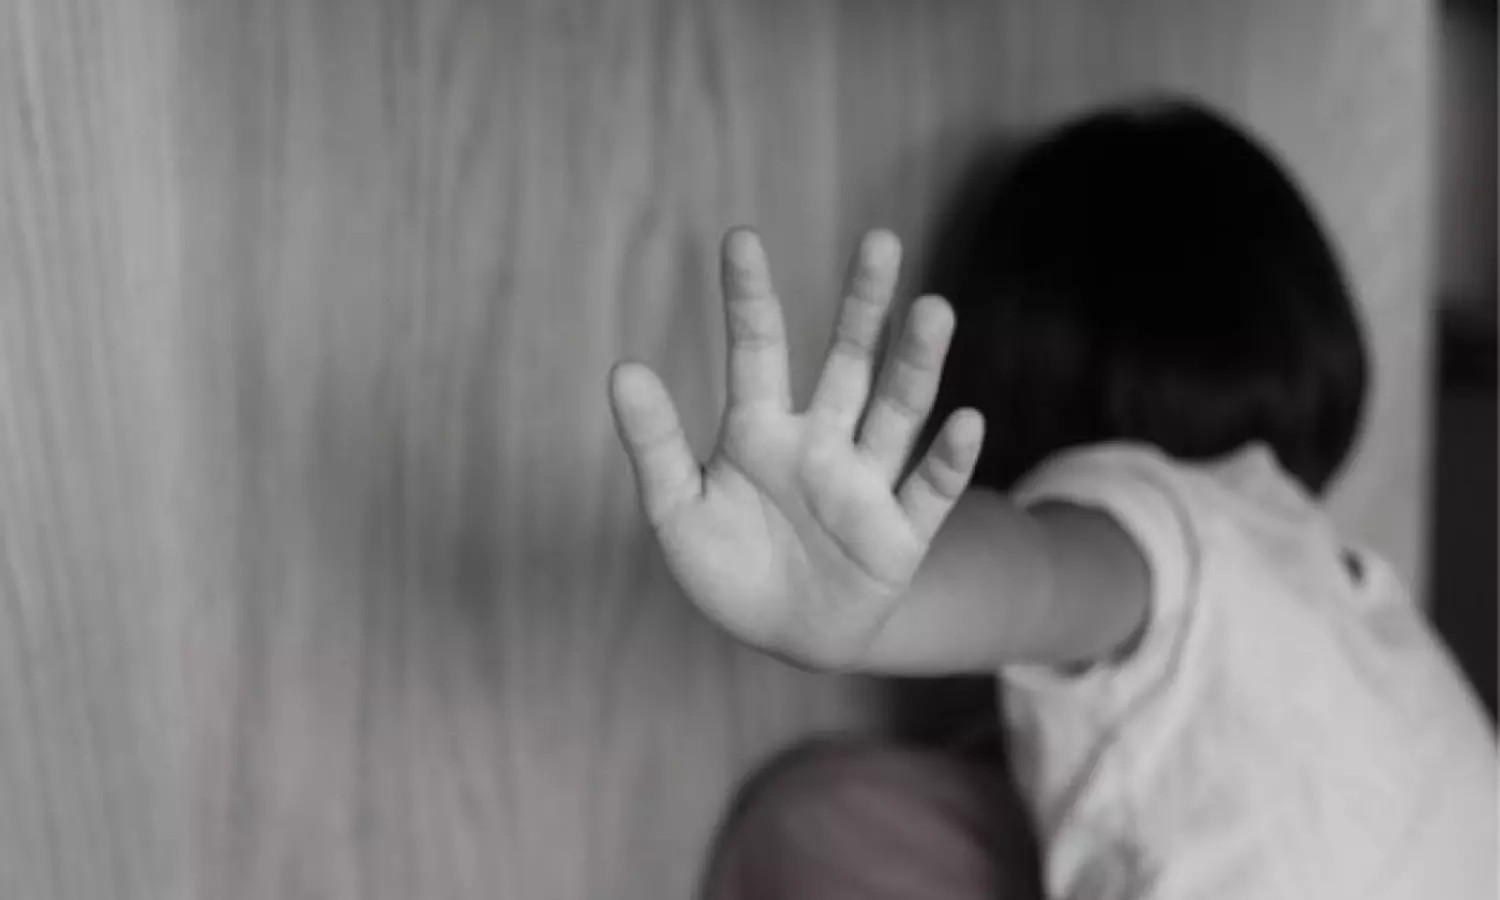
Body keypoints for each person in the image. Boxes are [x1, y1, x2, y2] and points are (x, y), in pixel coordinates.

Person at [606, 97, 1498, 900]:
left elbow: (1036, 575)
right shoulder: (1351, 597)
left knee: (815, 821)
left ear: (1022, 367)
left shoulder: (1159, 521)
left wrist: (890, 607)